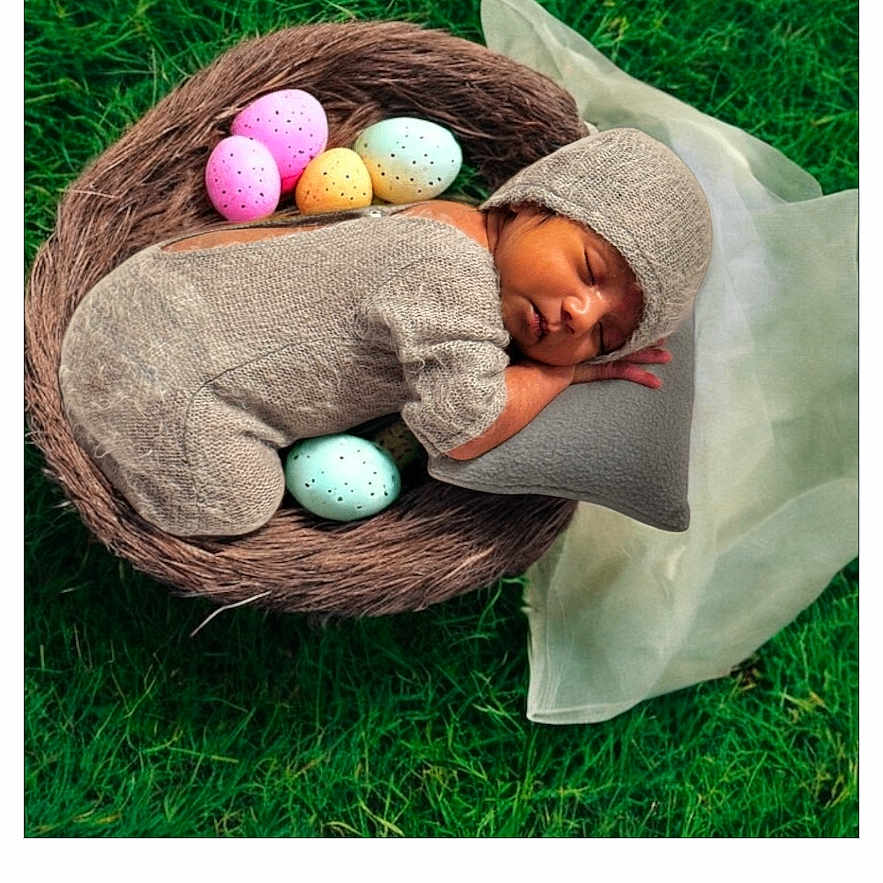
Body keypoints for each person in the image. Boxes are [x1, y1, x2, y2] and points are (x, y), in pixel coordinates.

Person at [58, 127, 712, 536]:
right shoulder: (454, 279)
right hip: (164, 380)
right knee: (236, 504)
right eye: (590, 270)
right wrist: (559, 372)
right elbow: (464, 428)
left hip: (151, 284)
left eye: (603, 335)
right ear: (526, 203)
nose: (578, 314)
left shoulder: (446, 222)